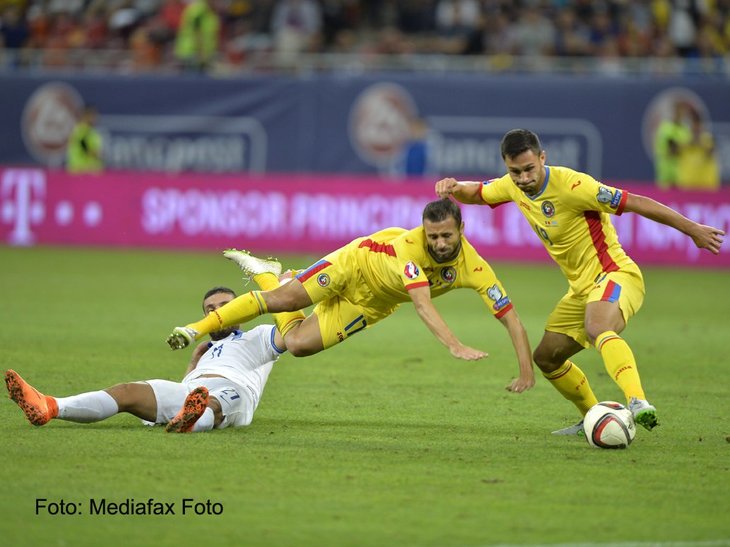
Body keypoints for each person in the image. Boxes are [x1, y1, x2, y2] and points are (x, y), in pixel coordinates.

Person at [434, 129, 725, 434]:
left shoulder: (574, 185)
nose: (522, 179)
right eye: (514, 171)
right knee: (546, 358)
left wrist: (692, 229)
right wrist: (453, 187)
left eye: (529, 169)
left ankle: (637, 400)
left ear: (542, 158)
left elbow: (635, 201)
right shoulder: (513, 185)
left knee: (598, 327)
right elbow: (478, 193)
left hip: (614, 274)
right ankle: (594, 417)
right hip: (580, 290)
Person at [167, 199, 535, 393]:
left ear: (461, 231)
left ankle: (268, 274)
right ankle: (194, 328)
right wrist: (454, 345)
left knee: (297, 345)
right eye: (432, 235)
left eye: (446, 237)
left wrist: (526, 373)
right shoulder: (410, 247)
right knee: (286, 302)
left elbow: (511, 319)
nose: (438, 243)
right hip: (352, 264)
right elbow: (422, 305)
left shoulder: (476, 268)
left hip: (370, 303)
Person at [5, 286, 305, 433]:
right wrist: (191, 370)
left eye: (227, 306)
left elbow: (294, 332)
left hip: (236, 393)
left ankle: (191, 422)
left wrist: (279, 285)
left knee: (214, 402)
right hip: (192, 393)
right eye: (210, 308)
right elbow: (190, 388)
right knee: (127, 391)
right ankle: (49, 406)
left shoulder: (260, 336)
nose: (218, 312)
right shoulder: (203, 351)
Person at [676, 108, 721, 190]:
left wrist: (700, 143)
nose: (695, 128)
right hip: (687, 186)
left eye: (697, 125)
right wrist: (688, 144)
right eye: (692, 124)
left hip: (706, 186)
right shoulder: (683, 140)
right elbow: (672, 153)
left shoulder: (708, 139)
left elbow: (711, 152)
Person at [653, 101, 691, 189]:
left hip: (682, 175)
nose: (681, 114)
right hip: (666, 173)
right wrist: (682, 146)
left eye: (683, 112)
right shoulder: (666, 128)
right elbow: (672, 149)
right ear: (674, 111)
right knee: (663, 201)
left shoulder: (685, 130)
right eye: (679, 111)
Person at [174, 0, 220, 72]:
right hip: (193, 53)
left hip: (200, 53)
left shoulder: (207, 10)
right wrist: (201, 53)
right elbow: (197, 32)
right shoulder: (199, 11)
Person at [66, 106, 103, 174]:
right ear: (85, 116)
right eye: (92, 116)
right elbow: (86, 149)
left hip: (84, 172)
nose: (95, 118)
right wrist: (98, 154)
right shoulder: (82, 131)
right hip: (83, 172)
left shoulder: (85, 131)